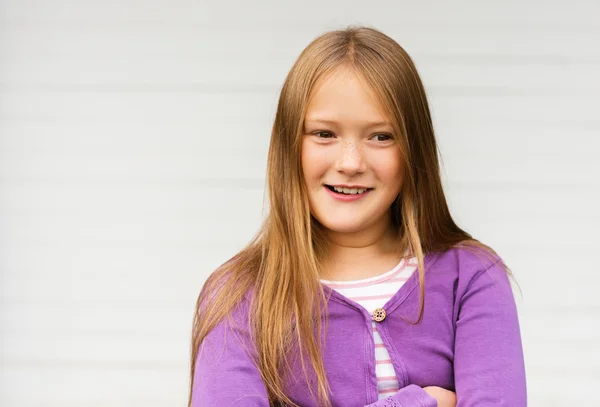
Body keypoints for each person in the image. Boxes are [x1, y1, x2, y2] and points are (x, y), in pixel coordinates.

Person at [187, 25, 527, 407]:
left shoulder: (471, 278)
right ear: (289, 146)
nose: (350, 163)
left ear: (413, 149)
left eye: (380, 136)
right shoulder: (238, 296)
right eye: (324, 134)